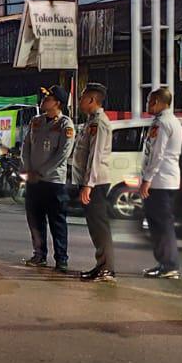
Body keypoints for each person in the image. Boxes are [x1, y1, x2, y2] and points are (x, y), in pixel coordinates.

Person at [21, 85, 75, 272]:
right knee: (35, 221)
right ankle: (39, 255)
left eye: (48, 98)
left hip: (53, 182)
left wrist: (40, 172)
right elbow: (26, 147)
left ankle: (61, 259)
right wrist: (28, 169)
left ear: (57, 103)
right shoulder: (36, 121)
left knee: (57, 221)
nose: (44, 100)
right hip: (34, 181)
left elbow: (62, 154)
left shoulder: (65, 124)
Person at [73, 84, 117, 283]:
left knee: (100, 226)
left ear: (92, 100)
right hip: (90, 181)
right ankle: (101, 266)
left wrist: (88, 184)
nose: (80, 101)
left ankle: (107, 269)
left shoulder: (99, 123)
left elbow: (96, 156)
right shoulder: (90, 122)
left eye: (82, 97)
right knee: (95, 227)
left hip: (96, 182)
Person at [140, 86, 182, 278]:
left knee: (161, 225)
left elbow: (157, 154)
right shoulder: (171, 121)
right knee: (160, 224)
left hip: (160, 181)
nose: (148, 105)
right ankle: (164, 264)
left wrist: (147, 179)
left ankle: (169, 265)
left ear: (157, 102)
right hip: (167, 179)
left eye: (149, 101)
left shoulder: (162, 123)